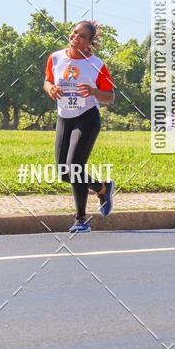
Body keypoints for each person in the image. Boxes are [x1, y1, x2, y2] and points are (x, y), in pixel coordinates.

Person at [44, 21, 116, 233]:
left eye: (83, 36)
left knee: (75, 165)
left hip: (87, 117)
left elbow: (110, 97)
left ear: (90, 42)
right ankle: (103, 188)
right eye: (75, 32)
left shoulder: (96, 64)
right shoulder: (55, 58)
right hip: (64, 118)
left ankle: (81, 219)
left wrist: (94, 92)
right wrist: (51, 89)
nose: (76, 37)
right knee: (64, 173)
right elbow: (47, 80)